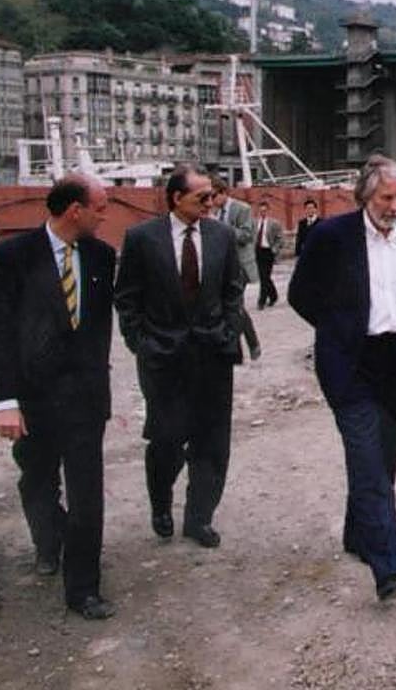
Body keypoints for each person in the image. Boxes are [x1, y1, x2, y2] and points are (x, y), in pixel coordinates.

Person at [288, 154, 396, 603]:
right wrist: (337, 329)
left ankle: (356, 534)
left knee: (382, 460)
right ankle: (386, 566)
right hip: (351, 363)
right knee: (367, 459)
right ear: (365, 196)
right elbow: (300, 295)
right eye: (387, 197)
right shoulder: (330, 236)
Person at [0, 175, 116, 619]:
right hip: (33, 398)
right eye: (99, 206)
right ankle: (49, 540)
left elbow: (97, 332)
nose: (105, 214)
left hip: (84, 399)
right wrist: (4, 400)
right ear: (74, 209)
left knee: (87, 493)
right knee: (37, 478)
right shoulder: (12, 257)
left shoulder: (101, 256)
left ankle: (84, 589)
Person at [115, 164, 243, 549]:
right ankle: (161, 505)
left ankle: (199, 517)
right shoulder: (141, 238)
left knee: (212, 441)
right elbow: (126, 298)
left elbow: (233, 291)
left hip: (212, 357)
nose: (211, 202)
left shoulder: (222, 236)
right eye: (201, 197)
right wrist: (142, 342)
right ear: (176, 198)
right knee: (166, 439)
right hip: (163, 359)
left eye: (212, 196)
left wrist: (227, 333)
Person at [211, 176, 260, 360]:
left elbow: (247, 235)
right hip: (221, 266)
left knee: (235, 305)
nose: (211, 200)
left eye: (214, 195)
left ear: (223, 193)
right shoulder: (213, 212)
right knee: (230, 306)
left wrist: (221, 228)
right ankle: (246, 344)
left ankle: (245, 345)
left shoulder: (242, 209)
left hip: (240, 266)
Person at [253, 199, 284, 309]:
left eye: (265, 210)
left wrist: (274, 249)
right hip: (258, 251)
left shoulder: (274, 223)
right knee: (264, 277)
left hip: (268, 252)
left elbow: (280, 238)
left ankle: (261, 301)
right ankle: (273, 295)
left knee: (265, 276)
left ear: (268, 211)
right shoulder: (255, 222)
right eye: (261, 211)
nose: (262, 212)